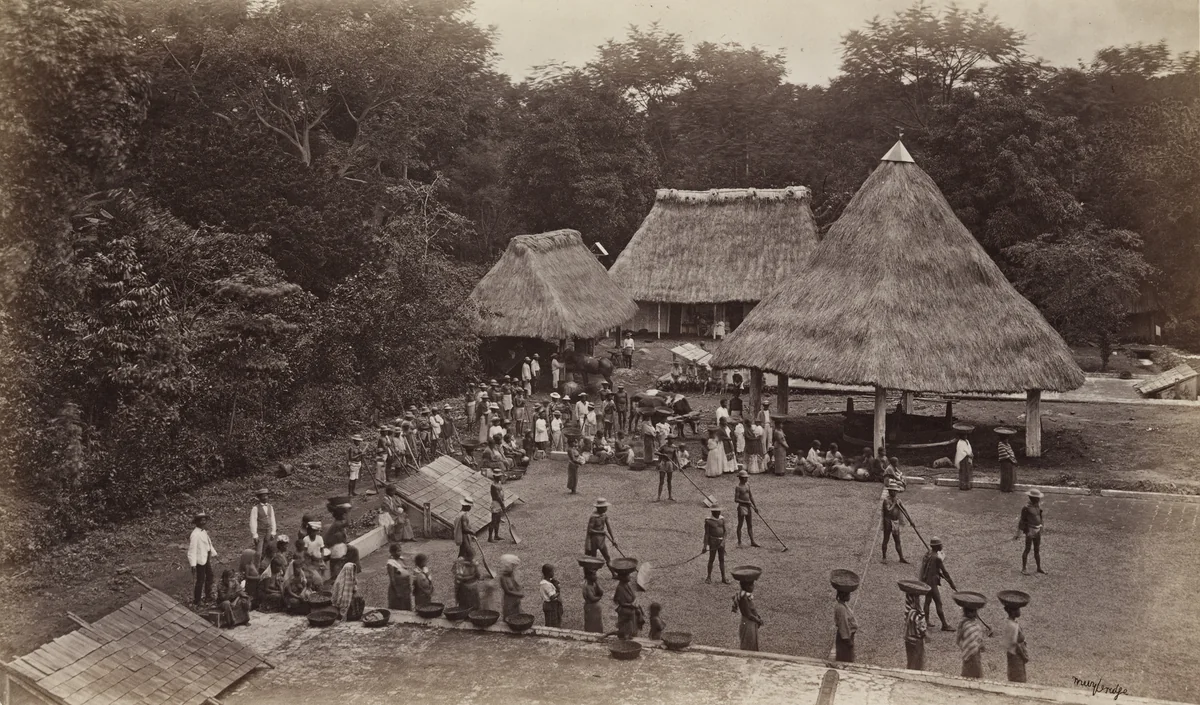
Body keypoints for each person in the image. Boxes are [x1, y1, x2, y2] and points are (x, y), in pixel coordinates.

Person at [919, 537, 957, 631]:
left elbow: (929, 567)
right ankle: (944, 625)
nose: (942, 546)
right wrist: (952, 584)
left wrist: (937, 571)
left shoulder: (928, 554)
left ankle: (926, 621)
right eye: (940, 545)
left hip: (927, 581)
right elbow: (945, 572)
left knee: (927, 601)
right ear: (937, 547)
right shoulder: (937, 558)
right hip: (932, 584)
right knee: (938, 603)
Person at [1014, 488, 1047, 575]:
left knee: (1037, 550)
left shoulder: (1037, 506)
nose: (1039, 499)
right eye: (1037, 498)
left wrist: (1042, 527)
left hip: (1037, 530)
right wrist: (1018, 533)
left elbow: (1040, 517)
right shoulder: (1026, 508)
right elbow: (1022, 521)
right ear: (1032, 498)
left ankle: (1039, 568)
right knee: (1027, 549)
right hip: (1030, 531)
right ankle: (1024, 568)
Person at [189, 512, 217, 607]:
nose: (203, 522)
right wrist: (193, 564)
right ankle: (197, 600)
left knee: (210, 576)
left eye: (204, 520)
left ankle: (208, 595)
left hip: (206, 557)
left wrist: (213, 552)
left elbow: (209, 544)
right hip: (200, 560)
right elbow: (192, 550)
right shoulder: (195, 534)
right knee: (200, 580)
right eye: (201, 520)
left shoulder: (203, 531)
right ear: (197, 522)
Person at [901, 581, 931, 670]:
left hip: (908, 640)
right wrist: (926, 634)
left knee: (910, 661)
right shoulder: (916, 613)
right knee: (917, 662)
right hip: (916, 641)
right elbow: (921, 627)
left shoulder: (908, 611)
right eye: (917, 598)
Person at [956, 596, 986, 679]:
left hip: (976, 653)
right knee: (970, 671)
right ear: (966, 612)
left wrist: (980, 644)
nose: (974, 614)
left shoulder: (975, 623)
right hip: (970, 653)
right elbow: (960, 639)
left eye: (975, 611)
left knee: (976, 670)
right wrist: (968, 647)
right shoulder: (965, 624)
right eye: (972, 612)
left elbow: (978, 636)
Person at [330, 546, 363, 621]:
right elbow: (343, 595)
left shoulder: (351, 577)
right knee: (352, 602)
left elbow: (354, 587)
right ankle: (349, 615)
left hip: (348, 597)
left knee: (359, 600)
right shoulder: (340, 580)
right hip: (340, 601)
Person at [1002, 600, 1029, 682]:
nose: (1019, 611)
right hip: (1016, 655)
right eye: (1018, 610)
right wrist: (1024, 656)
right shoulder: (1012, 625)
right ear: (1013, 612)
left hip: (1014, 655)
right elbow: (1015, 644)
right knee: (1018, 678)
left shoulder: (1011, 622)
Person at [881, 482, 908, 563]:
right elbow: (888, 510)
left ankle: (901, 557)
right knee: (886, 539)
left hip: (895, 521)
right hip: (888, 521)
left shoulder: (898, 500)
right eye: (892, 491)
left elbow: (904, 510)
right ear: (890, 491)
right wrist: (894, 503)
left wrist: (911, 521)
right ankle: (884, 557)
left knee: (897, 540)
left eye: (895, 491)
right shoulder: (886, 500)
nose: (894, 492)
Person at [584, 498, 616, 566]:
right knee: (593, 558)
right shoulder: (593, 517)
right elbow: (590, 530)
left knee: (607, 556)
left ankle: (613, 574)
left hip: (601, 539)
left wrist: (613, 539)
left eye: (606, 507)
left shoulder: (604, 515)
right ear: (599, 508)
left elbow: (609, 527)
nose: (606, 509)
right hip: (594, 540)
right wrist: (600, 532)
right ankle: (592, 574)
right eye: (604, 507)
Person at [734, 580, 763, 651]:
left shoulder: (746, 596)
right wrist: (758, 620)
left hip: (750, 622)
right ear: (746, 586)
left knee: (751, 642)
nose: (753, 587)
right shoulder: (744, 598)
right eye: (751, 585)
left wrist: (758, 617)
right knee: (749, 643)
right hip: (748, 623)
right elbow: (748, 614)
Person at [612, 568, 641, 640]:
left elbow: (633, 596)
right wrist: (631, 605)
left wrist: (635, 602)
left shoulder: (626, 585)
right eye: (628, 576)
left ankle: (631, 635)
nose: (630, 577)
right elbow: (622, 603)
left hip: (630, 609)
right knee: (626, 629)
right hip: (624, 610)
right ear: (623, 578)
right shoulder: (620, 588)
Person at [734, 472, 760, 547]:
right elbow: (736, 499)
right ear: (740, 478)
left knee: (750, 525)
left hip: (749, 507)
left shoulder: (748, 485)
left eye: (746, 477)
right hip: (742, 507)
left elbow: (751, 496)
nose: (746, 478)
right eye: (745, 477)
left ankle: (752, 541)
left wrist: (755, 506)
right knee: (740, 524)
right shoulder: (738, 487)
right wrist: (746, 502)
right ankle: (739, 542)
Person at [249, 489, 277, 560]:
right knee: (258, 552)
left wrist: (273, 531)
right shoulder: (255, 508)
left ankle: (264, 566)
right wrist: (255, 534)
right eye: (263, 496)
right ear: (259, 498)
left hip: (269, 531)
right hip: (260, 532)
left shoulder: (270, 507)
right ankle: (256, 567)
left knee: (267, 549)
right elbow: (253, 521)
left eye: (266, 496)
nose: (265, 498)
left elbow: (273, 519)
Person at [704, 506, 728, 584]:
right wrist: (705, 546)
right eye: (717, 512)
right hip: (713, 541)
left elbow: (725, 532)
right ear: (713, 512)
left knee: (722, 560)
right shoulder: (708, 521)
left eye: (719, 511)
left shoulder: (722, 519)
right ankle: (708, 577)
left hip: (721, 542)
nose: (719, 513)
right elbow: (706, 534)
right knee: (711, 559)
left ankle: (723, 577)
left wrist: (723, 542)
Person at [387, 544, 412, 610]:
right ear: (392, 552)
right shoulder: (391, 563)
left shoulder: (401, 559)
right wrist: (397, 592)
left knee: (407, 605)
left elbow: (405, 569)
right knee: (399, 606)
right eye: (398, 551)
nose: (400, 552)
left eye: (400, 550)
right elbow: (392, 579)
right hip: (398, 588)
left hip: (405, 587)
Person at [834, 588, 857, 662]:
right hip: (844, 638)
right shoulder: (841, 608)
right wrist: (848, 640)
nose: (849, 596)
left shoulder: (843, 605)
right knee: (845, 660)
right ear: (844, 595)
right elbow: (843, 625)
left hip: (846, 637)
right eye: (848, 594)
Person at [582, 568, 604, 633]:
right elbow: (592, 598)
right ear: (588, 576)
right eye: (594, 575)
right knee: (591, 624)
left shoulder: (593, 584)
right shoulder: (587, 586)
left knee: (597, 623)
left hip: (595, 609)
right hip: (591, 608)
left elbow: (601, 592)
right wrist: (599, 597)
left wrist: (596, 582)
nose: (596, 576)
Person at [997, 427, 1018, 492]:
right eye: (1006, 438)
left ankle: (1010, 488)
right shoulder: (1000, 444)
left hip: (1010, 462)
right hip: (1005, 462)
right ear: (1003, 439)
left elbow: (1011, 453)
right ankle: (1005, 488)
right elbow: (1005, 455)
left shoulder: (1008, 445)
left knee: (1010, 475)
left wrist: (1013, 460)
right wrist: (1012, 460)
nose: (1007, 440)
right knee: (1006, 475)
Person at [954, 425, 975, 490]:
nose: (965, 436)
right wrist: (968, 455)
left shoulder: (967, 441)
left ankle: (967, 485)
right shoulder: (960, 442)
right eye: (963, 435)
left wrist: (971, 453)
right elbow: (961, 452)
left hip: (967, 458)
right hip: (963, 459)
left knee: (968, 472)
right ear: (961, 436)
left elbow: (969, 449)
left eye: (966, 435)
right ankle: (963, 485)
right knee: (963, 472)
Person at [488, 471, 506, 543]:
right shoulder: (493, 485)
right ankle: (490, 538)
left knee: (498, 520)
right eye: (499, 476)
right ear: (496, 477)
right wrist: (502, 505)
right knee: (494, 521)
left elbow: (501, 495)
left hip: (500, 502)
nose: (501, 477)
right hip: (496, 503)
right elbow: (497, 497)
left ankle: (496, 535)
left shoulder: (499, 483)